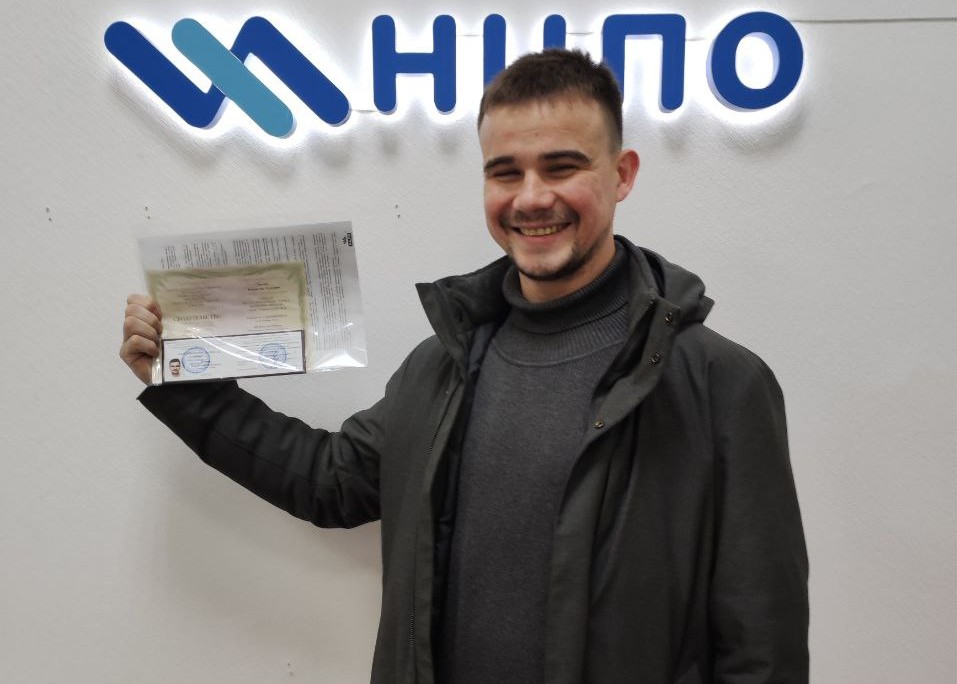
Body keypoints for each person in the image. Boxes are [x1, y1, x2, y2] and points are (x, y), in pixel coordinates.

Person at [120, 49, 808, 684]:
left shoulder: (719, 384)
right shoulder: (444, 366)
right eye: (505, 172)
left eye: (561, 167)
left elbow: (762, 644)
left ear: (621, 174)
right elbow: (329, 481)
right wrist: (179, 380)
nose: (531, 197)